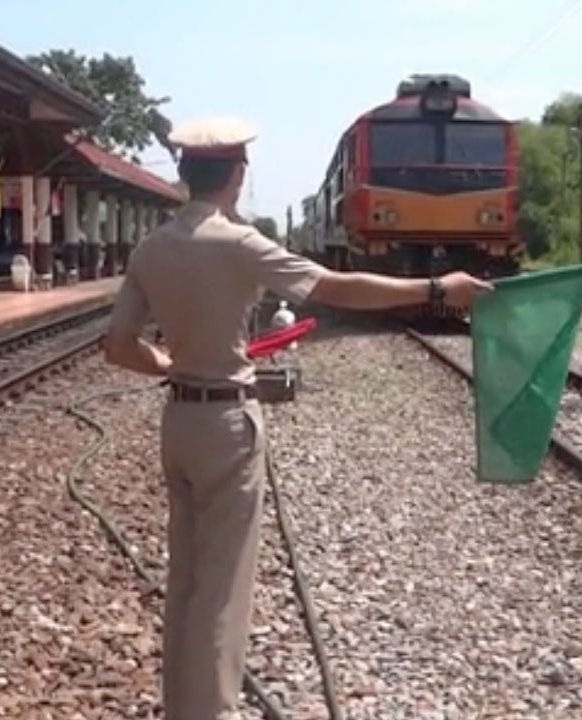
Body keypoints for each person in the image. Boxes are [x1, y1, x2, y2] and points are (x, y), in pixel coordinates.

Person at [101, 116, 491, 720]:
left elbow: (119, 345)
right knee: (222, 592)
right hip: (227, 425)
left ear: (183, 175)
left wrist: (169, 362)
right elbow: (337, 288)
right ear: (236, 175)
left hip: (177, 420)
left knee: (185, 580)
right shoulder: (239, 243)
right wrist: (437, 287)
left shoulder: (152, 248)